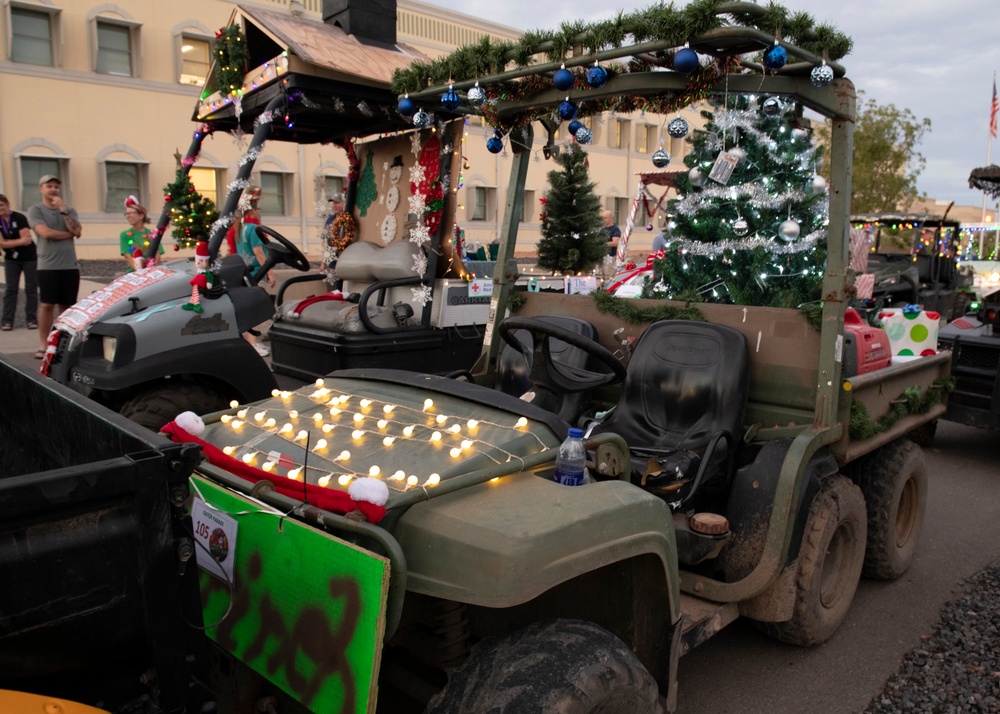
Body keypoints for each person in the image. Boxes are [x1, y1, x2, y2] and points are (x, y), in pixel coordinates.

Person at [27, 175, 81, 360]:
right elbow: (45, 233)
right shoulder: (35, 210)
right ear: (41, 188)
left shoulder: (69, 209)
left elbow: (77, 231)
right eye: (49, 186)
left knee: (67, 305)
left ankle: (63, 343)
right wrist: (69, 234)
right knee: (47, 304)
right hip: (48, 264)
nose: (53, 189)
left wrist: (63, 210)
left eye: (56, 186)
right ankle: (44, 344)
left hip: (69, 265)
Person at [233, 193, 272, 357]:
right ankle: (254, 343)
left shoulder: (238, 230)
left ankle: (251, 342)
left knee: (247, 310)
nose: (260, 212)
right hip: (256, 272)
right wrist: (269, 272)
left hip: (245, 272)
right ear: (252, 211)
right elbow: (259, 253)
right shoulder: (253, 230)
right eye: (258, 208)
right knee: (256, 310)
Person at [0, 193, 38, 331]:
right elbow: (2, 244)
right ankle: (7, 321)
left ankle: (32, 319)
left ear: (7, 204)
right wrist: (16, 242)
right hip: (11, 259)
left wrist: (9, 242)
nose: (0, 208)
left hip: (29, 257)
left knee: (31, 289)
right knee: (11, 289)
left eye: (2, 205)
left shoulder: (19, 218)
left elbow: (26, 239)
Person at [119, 196, 163, 272]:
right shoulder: (124, 235)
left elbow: (158, 254)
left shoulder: (152, 234)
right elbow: (127, 256)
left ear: (141, 216)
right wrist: (139, 272)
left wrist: (151, 269)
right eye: (127, 213)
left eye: (131, 213)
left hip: (151, 271)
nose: (128, 216)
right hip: (133, 272)